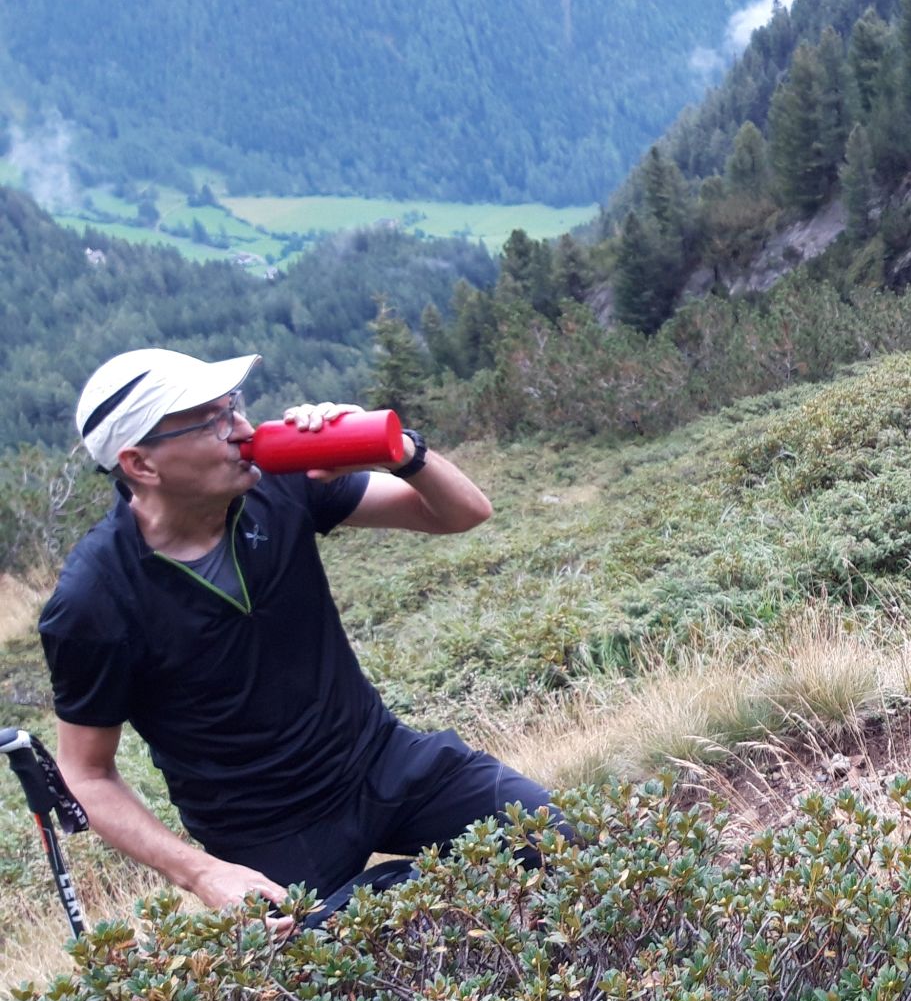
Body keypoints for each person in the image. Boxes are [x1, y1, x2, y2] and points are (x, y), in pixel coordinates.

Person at [38, 347, 550, 930]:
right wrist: (204, 874)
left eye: (234, 406)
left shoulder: (279, 484)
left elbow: (462, 513)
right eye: (213, 421)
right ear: (141, 464)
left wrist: (400, 451)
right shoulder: (93, 599)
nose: (243, 429)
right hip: (266, 833)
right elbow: (87, 774)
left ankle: (398, 890)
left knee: (562, 843)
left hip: (382, 760)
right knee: (347, 969)